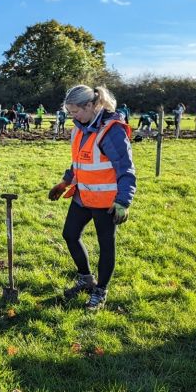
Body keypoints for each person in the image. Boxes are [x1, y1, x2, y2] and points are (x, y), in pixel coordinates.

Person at [48, 85, 136, 311]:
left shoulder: (111, 131)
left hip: (107, 202)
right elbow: (80, 161)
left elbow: (125, 169)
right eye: (69, 112)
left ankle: (100, 291)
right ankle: (86, 279)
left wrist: (123, 201)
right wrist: (66, 181)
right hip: (82, 195)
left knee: (106, 245)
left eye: (75, 111)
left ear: (90, 106)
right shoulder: (79, 128)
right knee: (69, 234)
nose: (72, 116)